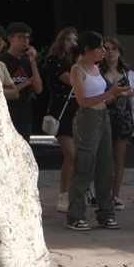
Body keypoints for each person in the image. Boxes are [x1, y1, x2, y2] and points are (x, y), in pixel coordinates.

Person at [64, 31, 131, 232]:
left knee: (105, 167)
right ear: (87, 49)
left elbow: (101, 97)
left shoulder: (95, 68)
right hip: (87, 120)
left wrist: (120, 94)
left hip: (103, 118)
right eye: (99, 47)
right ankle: (75, 215)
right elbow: (83, 101)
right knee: (84, 165)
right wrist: (110, 92)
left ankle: (105, 213)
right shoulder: (78, 70)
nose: (104, 51)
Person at [101, 37, 134, 211]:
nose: (110, 52)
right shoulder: (96, 72)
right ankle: (100, 194)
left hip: (122, 121)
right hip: (101, 120)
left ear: (119, 52)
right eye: (107, 48)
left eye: (114, 49)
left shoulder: (128, 74)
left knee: (119, 159)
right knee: (101, 160)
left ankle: (115, 195)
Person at [41, 27, 80, 212]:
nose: (73, 43)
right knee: (70, 155)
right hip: (62, 111)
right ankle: (63, 195)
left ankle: (79, 192)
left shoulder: (77, 62)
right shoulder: (54, 61)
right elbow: (72, 80)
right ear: (61, 42)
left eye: (75, 40)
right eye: (69, 40)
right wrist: (80, 63)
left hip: (78, 111)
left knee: (81, 156)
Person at [0, 21, 42, 141]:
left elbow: (38, 89)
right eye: (21, 37)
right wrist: (26, 82)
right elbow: (3, 90)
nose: (26, 41)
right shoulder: (2, 61)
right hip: (8, 114)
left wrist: (32, 61)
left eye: (28, 38)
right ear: (11, 38)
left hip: (24, 116)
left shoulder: (27, 63)